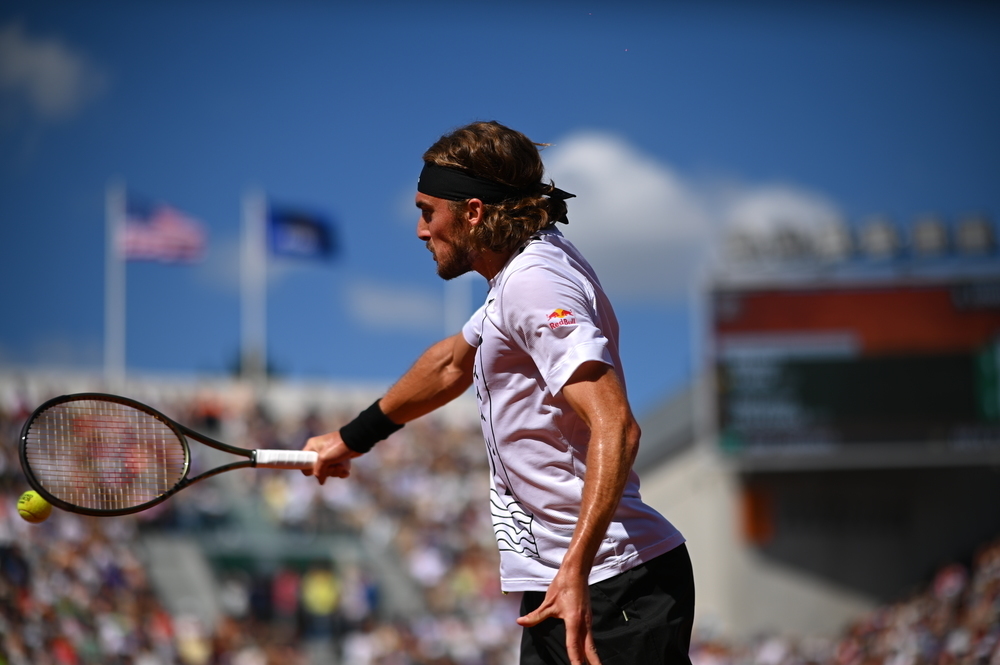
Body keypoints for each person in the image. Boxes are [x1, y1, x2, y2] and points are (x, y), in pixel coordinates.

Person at [303, 121, 695, 665]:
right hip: (577, 581)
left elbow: (617, 425)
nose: (420, 230)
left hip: (609, 583)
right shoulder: (518, 275)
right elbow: (449, 365)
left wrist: (575, 569)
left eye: (427, 211)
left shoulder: (536, 281)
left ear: (473, 213)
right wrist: (351, 439)